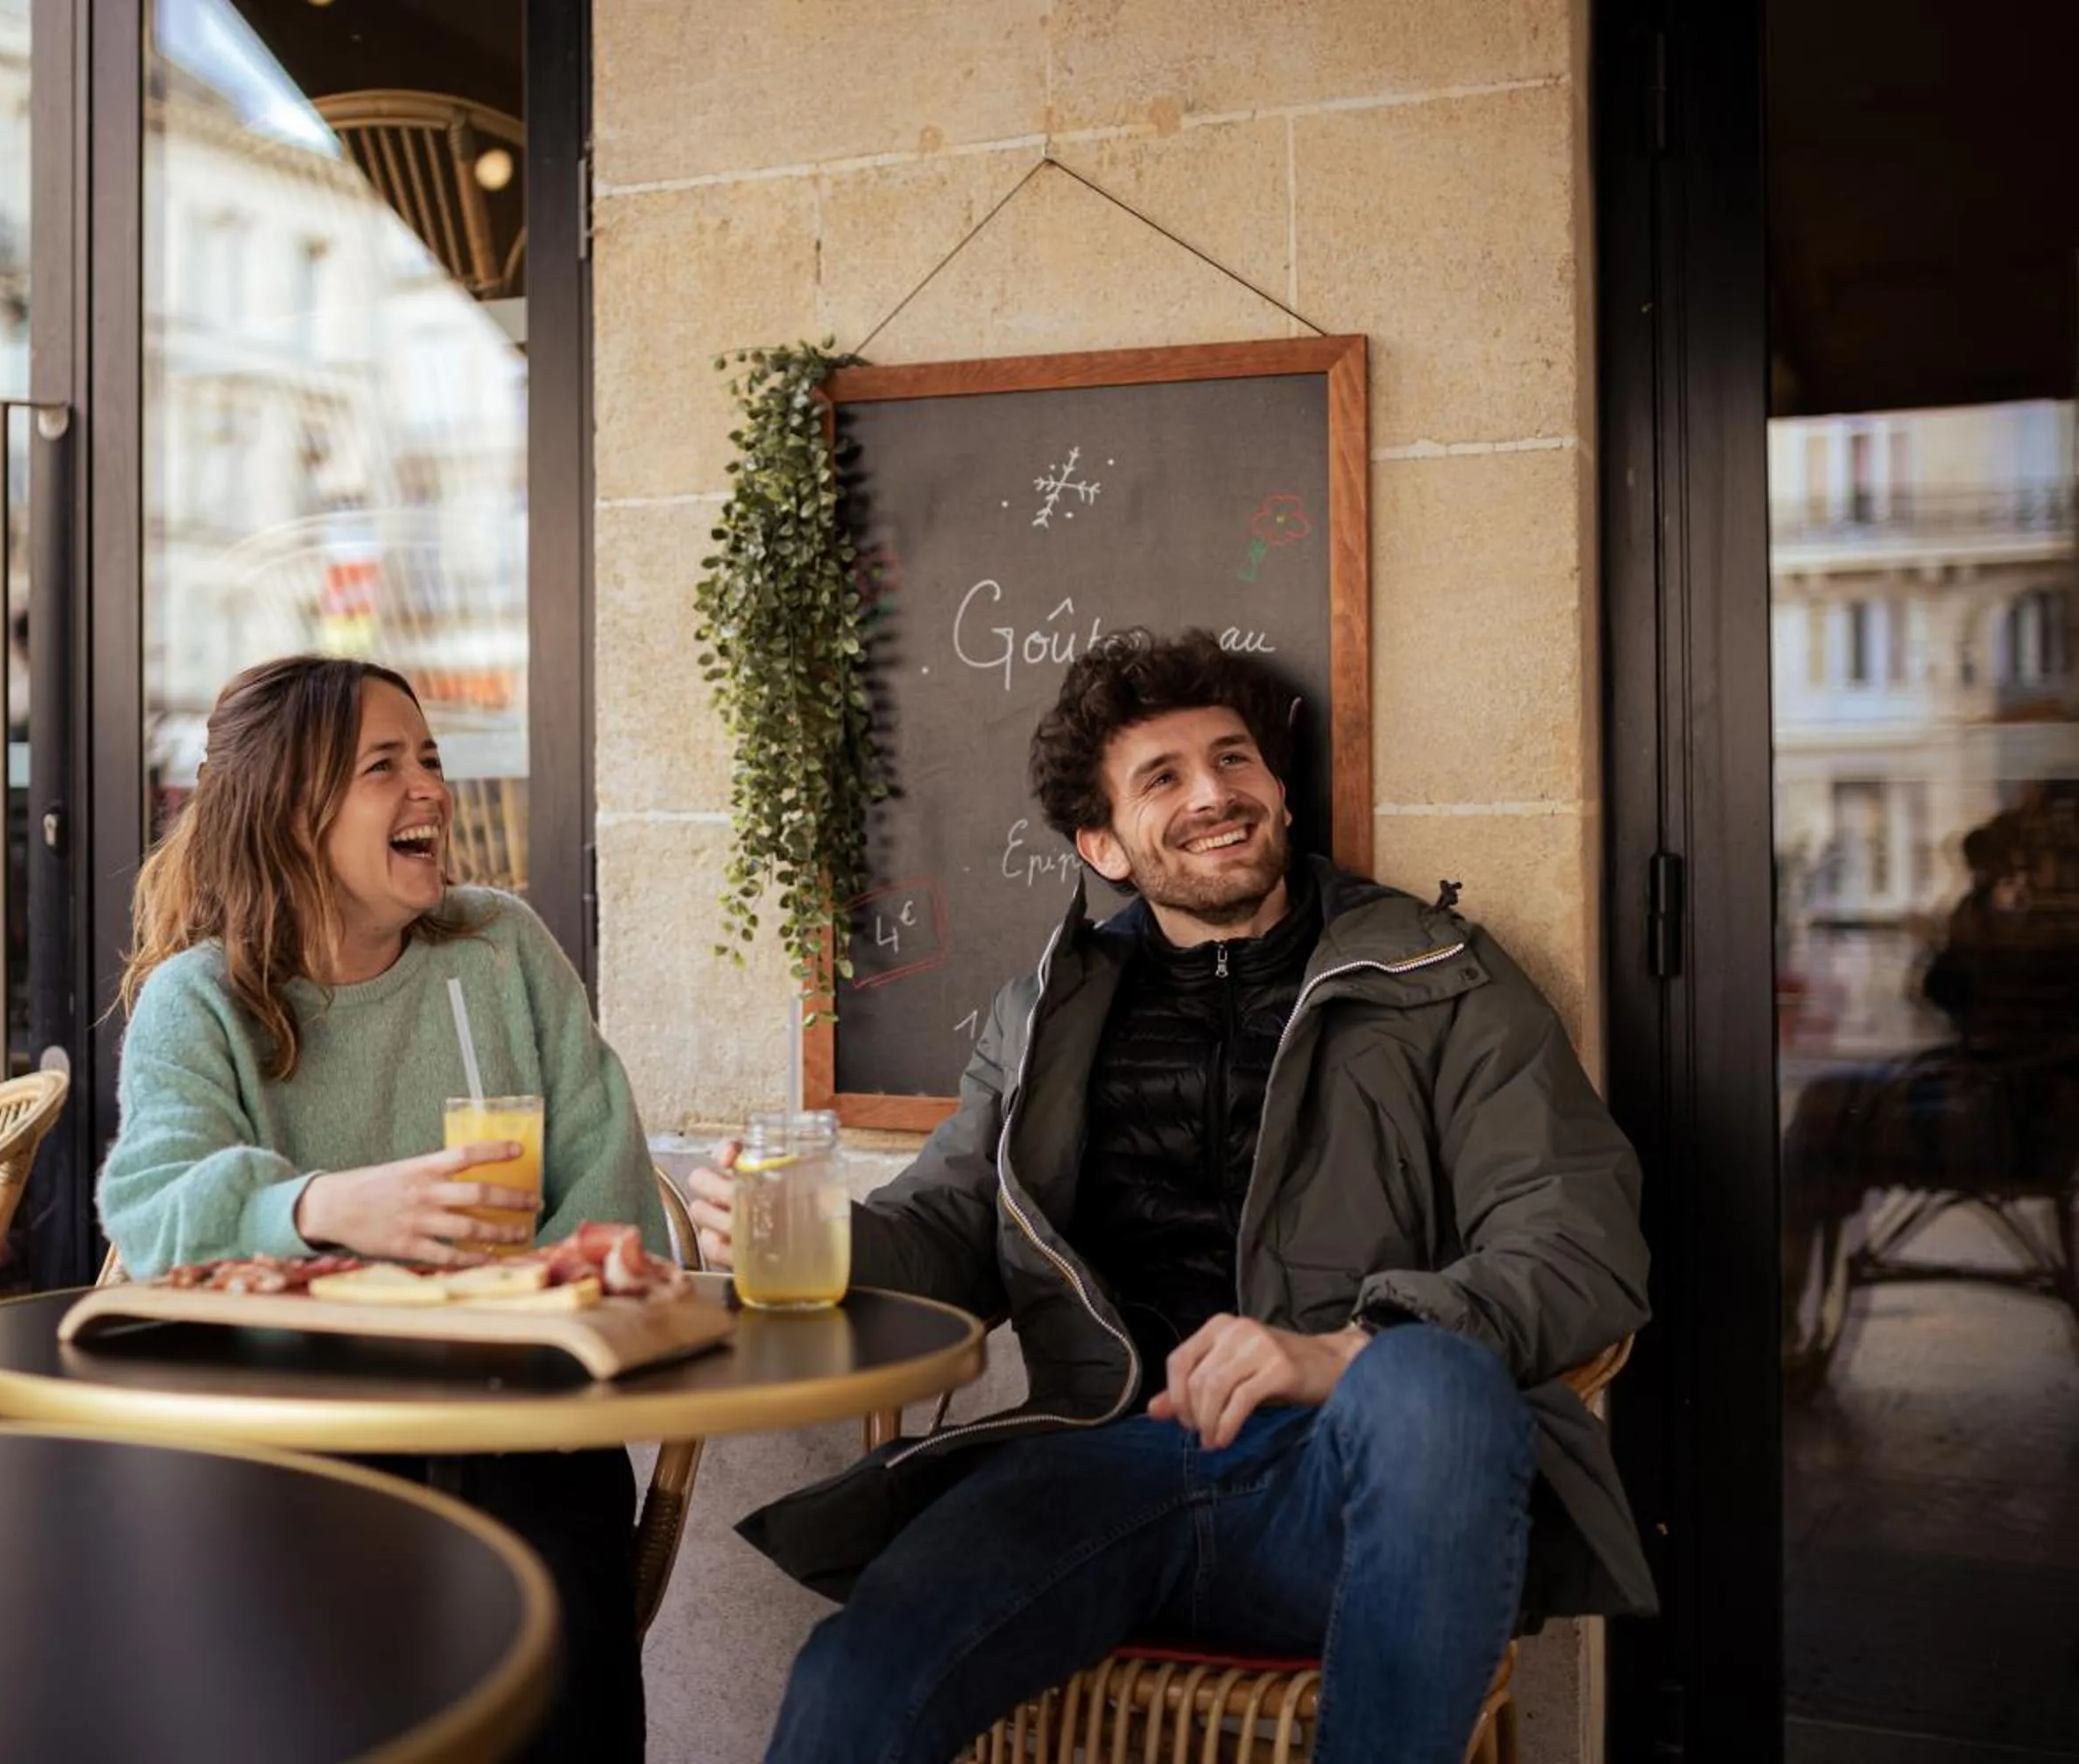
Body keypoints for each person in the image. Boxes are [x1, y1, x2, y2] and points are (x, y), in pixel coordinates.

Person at [684, 628, 1654, 1764]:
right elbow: (950, 1221)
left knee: (1433, 1380)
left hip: (1343, 1476)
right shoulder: (1043, 1014)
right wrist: (814, 1242)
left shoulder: (1442, 978)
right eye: (1165, 777)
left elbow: (1580, 1242)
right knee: (851, 1679)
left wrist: (1351, 1350)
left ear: (1278, 788)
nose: (1215, 794)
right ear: (1102, 843)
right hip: (1102, 1464)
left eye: (1234, 758)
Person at [100, 654, 662, 1764]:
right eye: (382, 766)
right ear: (289, 810)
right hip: (294, 1456)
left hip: (516, 1424)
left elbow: (610, 1188)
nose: (431, 791)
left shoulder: (499, 950)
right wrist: (324, 1205)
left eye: (433, 760)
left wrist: (545, 1290)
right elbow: (151, 1215)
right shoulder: (199, 1000)